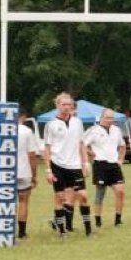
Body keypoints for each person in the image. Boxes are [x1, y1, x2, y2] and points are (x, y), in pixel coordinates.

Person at [44, 93, 92, 236]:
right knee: (60, 197)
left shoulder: (78, 122)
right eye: (63, 104)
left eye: (69, 104)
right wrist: (48, 170)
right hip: (57, 165)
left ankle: (89, 230)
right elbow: (47, 148)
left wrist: (86, 162)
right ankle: (61, 231)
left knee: (83, 195)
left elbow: (81, 143)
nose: (66, 107)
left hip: (75, 166)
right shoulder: (51, 124)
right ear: (57, 105)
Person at [84, 108, 127, 228]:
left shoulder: (116, 130)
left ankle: (118, 220)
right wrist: (91, 153)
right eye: (108, 117)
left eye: (112, 118)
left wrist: (120, 160)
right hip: (100, 165)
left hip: (114, 165)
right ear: (101, 117)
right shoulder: (94, 130)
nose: (110, 120)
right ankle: (98, 220)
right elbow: (83, 144)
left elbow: (123, 146)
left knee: (120, 191)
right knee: (100, 194)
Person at [16, 111, 39, 239]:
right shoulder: (27, 131)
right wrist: (34, 175)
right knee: (23, 201)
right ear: (23, 117)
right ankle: (22, 232)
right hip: (23, 171)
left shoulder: (1, 130)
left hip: (5, 171)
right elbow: (32, 155)